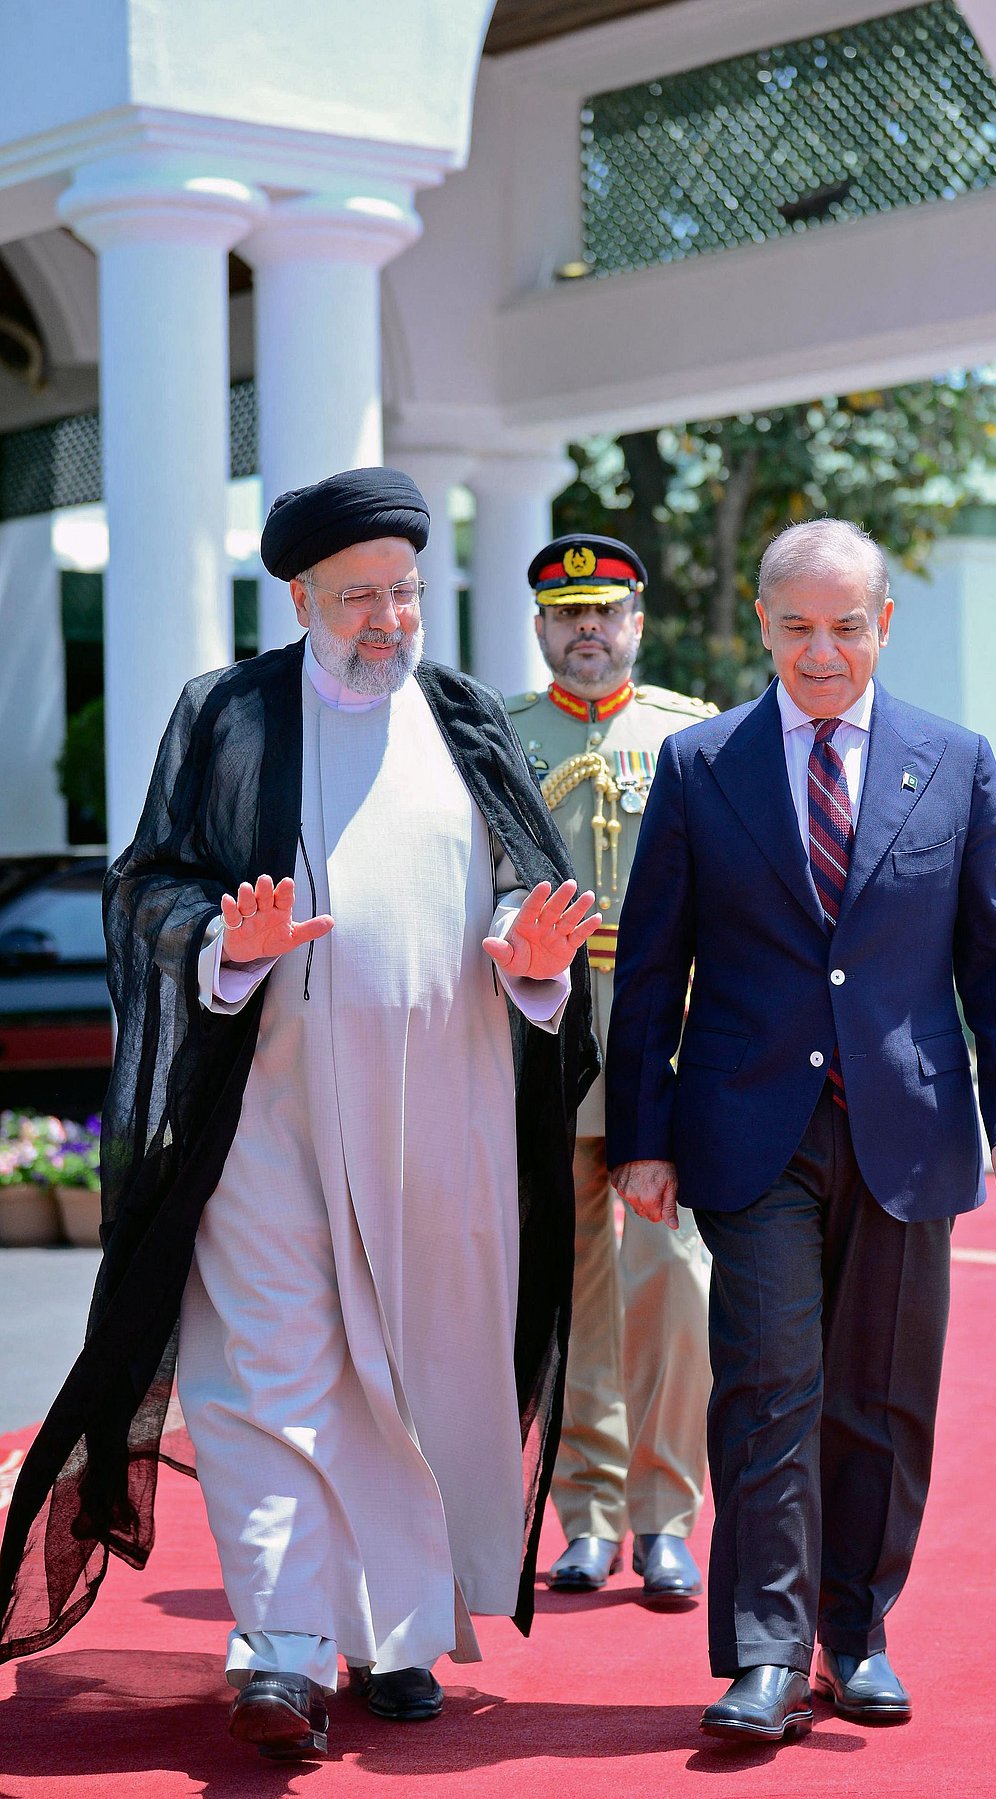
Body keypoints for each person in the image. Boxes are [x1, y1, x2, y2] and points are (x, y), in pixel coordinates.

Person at [0, 468, 601, 1763]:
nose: (388, 619)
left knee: (413, 1375)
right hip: (264, 1116)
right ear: (298, 596)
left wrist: (531, 947)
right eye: (357, 596)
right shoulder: (227, 715)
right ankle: (281, 1648)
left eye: (403, 592)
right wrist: (223, 932)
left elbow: (525, 883)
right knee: (270, 1374)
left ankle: (396, 1634)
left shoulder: (463, 716)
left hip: (442, 1122)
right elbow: (147, 877)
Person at [606, 518, 996, 1742]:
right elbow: (652, 968)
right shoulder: (701, 767)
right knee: (765, 1384)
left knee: (882, 1393)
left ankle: (857, 1636)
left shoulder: (953, 762)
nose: (821, 649)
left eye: (845, 624)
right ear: (761, 624)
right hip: (751, 1134)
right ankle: (763, 1650)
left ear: (884, 626)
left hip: (905, 1127)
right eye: (797, 624)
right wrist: (640, 1133)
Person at [506, 534, 714, 1606]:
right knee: (577, 1291)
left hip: (663, 1042)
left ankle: (666, 1514)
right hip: (545, 1040)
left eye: (606, 612)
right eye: (567, 614)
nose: (588, 631)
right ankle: (585, 1514)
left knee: (674, 1280)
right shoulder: (501, 736)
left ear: (638, 621)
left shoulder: (691, 732)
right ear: (540, 627)